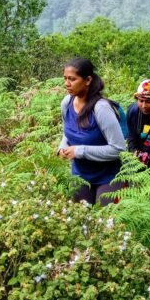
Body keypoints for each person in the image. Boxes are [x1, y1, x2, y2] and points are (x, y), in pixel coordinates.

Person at [57, 57, 126, 206]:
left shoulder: (101, 109)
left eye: (72, 79)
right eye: (65, 78)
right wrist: (62, 147)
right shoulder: (66, 103)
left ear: (88, 80)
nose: (67, 84)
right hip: (80, 176)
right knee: (81, 223)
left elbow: (118, 149)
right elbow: (67, 132)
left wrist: (80, 151)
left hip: (109, 177)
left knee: (106, 223)